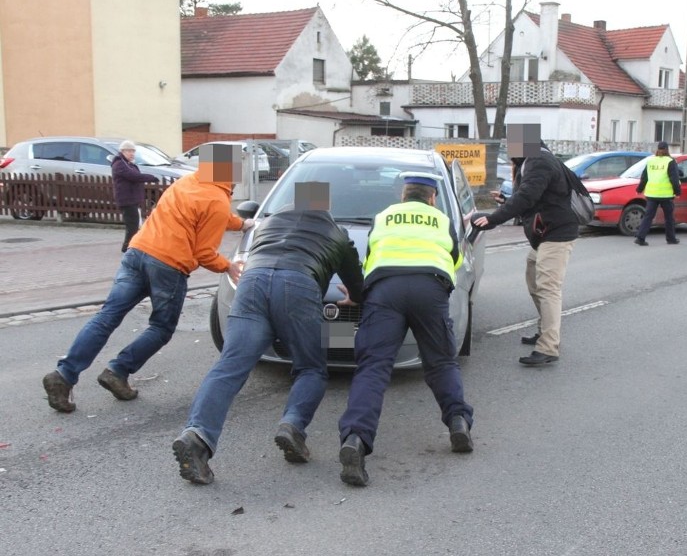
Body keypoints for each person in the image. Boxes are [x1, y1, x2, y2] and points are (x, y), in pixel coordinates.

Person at [172, 182, 365, 485]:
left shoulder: (268, 223)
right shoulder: (337, 234)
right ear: (326, 207)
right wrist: (354, 297)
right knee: (311, 367)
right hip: (298, 287)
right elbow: (356, 283)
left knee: (229, 367)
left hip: (253, 283)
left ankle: (197, 438)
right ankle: (292, 426)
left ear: (292, 202)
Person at [42, 143, 253, 413]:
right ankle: (118, 370)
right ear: (231, 172)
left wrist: (238, 223)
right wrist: (228, 266)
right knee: (162, 328)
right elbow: (204, 253)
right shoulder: (217, 201)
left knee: (107, 317)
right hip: (169, 266)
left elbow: (207, 216)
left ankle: (64, 375)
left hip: (138, 252)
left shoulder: (185, 183)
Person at [337, 171, 474, 487]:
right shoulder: (440, 220)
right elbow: (453, 260)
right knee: (441, 362)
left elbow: (370, 259)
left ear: (403, 196)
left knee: (373, 368)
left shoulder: (384, 217)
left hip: (385, 291)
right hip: (430, 288)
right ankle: (458, 423)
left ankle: (355, 440)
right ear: (432, 198)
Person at [471, 124, 579, 367]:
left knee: (548, 288)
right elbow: (535, 197)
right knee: (533, 280)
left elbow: (527, 197)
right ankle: (544, 330)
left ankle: (549, 346)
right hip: (545, 233)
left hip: (557, 234)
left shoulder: (539, 161)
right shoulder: (533, 160)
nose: (509, 151)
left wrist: (493, 218)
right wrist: (507, 201)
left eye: (512, 145)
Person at [112, 140, 159, 253]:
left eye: (133, 151)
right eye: (129, 151)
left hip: (132, 199)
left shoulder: (128, 164)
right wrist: (150, 177)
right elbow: (134, 176)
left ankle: (131, 246)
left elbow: (135, 175)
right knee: (132, 225)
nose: (132, 153)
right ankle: (128, 248)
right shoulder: (119, 164)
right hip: (126, 199)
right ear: (122, 151)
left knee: (136, 224)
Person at [634, 141, 682, 246]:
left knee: (648, 216)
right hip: (666, 195)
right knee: (669, 218)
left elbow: (644, 177)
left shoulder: (651, 161)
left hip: (652, 194)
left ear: (657, 149)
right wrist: (677, 192)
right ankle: (671, 238)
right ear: (667, 149)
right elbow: (674, 178)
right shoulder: (670, 161)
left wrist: (639, 189)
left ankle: (640, 237)